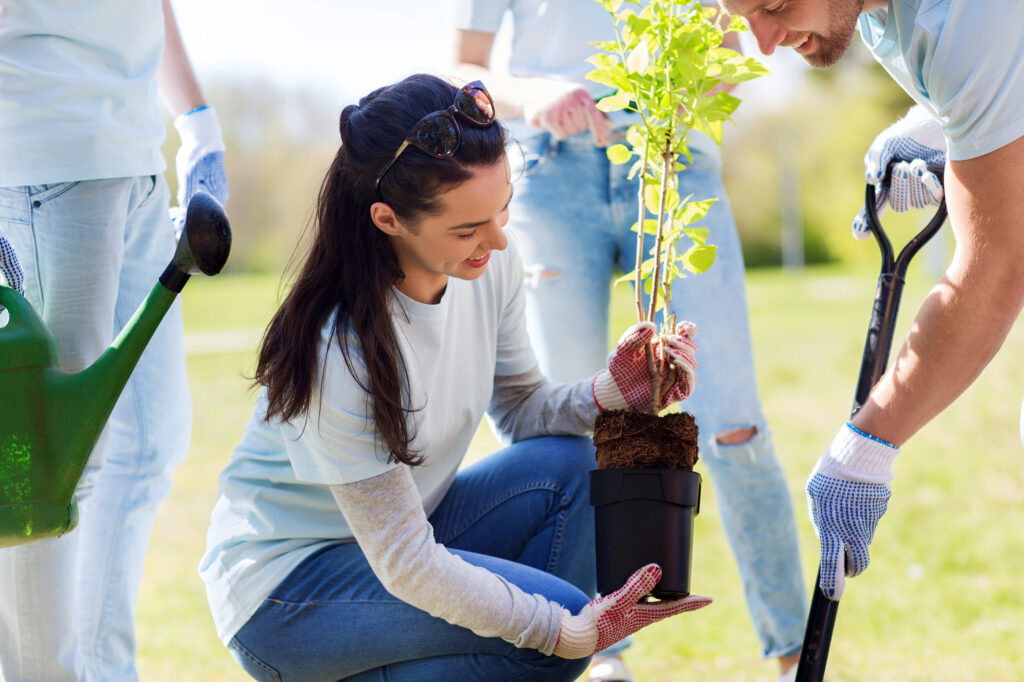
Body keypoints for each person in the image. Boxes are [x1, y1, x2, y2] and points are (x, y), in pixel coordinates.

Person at [199, 73, 710, 682]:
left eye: (503, 210)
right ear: (388, 220)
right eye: (467, 229)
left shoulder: (488, 264)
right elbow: (407, 563)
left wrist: (614, 394)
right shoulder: (341, 349)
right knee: (556, 630)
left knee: (576, 468)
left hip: (409, 537)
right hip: (286, 594)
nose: (495, 240)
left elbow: (523, 410)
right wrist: (557, 630)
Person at [450, 2, 808, 680]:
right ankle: (597, 652)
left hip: (675, 163)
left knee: (734, 424)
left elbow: (734, 47)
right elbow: (461, 68)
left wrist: (680, 93)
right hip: (551, 174)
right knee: (564, 435)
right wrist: (532, 95)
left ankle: (796, 655)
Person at [715, 0, 1024, 601]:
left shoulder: (959, 16)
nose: (766, 43)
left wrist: (867, 445)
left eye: (774, 6)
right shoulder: (881, 19)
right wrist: (938, 123)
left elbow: (1000, 266)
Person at [0, 1, 228, 679]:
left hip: (132, 154)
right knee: (45, 473)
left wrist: (198, 124)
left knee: (150, 440)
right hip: (44, 153)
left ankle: (104, 670)